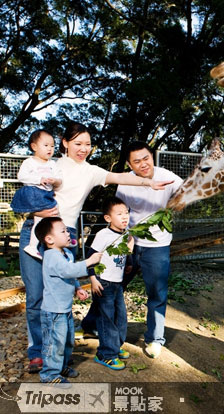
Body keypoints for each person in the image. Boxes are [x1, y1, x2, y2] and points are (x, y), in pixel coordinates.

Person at [18, 122, 173, 374]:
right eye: (77, 143)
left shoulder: (90, 171)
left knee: (60, 296)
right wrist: (34, 210)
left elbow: (119, 177)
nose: (83, 149)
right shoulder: (51, 165)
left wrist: (149, 184)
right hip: (35, 233)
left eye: (88, 144)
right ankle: (37, 352)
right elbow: (25, 195)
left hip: (64, 239)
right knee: (36, 296)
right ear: (65, 143)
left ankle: (60, 351)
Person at [116, 141, 183, 358]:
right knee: (111, 286)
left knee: (157, 293)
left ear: (151, 156)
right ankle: (93, 325)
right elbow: (119, 212)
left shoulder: (168, 177)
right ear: (129, 164)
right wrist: (124, 238)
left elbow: (189, 191)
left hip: (157, 246)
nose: (143, 164)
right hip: (130, 243)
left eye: (146, 158)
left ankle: (155, 339)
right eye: (137, 161)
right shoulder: (125, 183)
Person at [35, 217, 102, 385]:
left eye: (67, 230)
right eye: (63, 231)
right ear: (49, 239)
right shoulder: (51, 256)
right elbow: (67, 271)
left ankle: (61, 367)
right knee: (54, 344)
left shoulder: (64, 254)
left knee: (66, 341)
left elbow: (69, 275)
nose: (68, 233)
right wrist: (89, 261)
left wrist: (78, 288)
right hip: (53, 311)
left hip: (64, 309)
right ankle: (49, 374)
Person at [87, 197, 133, 370]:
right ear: (108, 218)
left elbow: (124, 253)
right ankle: (105, 354)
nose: (124, 217)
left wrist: (128, 263)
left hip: (117, 284)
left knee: (120, 317)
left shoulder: (125, 233)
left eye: (126, 213)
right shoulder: (103, 235)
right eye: (119, 214)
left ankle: (115, 346)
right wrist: (92, 279)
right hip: (103, 283)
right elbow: (91, 258)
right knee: (106, 319)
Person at [11, 130, 63, 259]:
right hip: (33, 193)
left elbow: (59, 180)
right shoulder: (30, 162)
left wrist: (55, 180)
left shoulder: (52, 164)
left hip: (46, 194)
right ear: (34, 147)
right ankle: (33, 246)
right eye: (46, 145)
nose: (50, 149)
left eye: (52, 146)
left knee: (52, 214)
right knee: (44, 216)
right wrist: (38, 179)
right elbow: (21, 176)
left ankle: (61, 238)